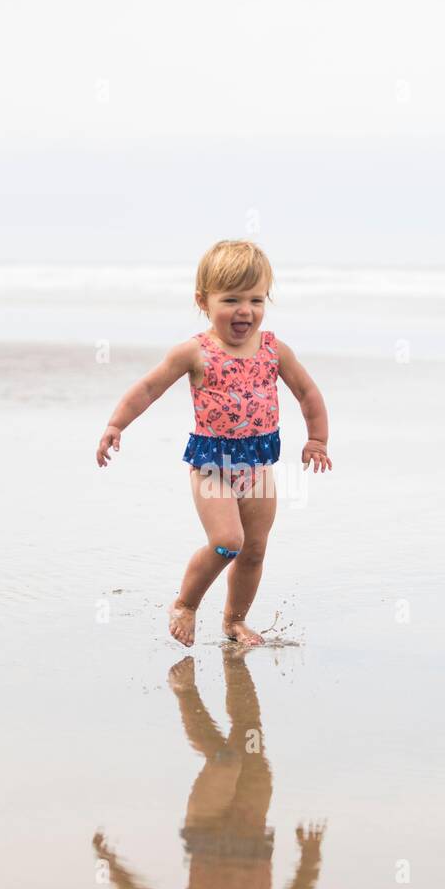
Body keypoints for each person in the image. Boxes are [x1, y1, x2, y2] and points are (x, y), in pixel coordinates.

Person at [95, 239, 332, 645]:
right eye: (232, 299)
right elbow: (148, 388)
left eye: (256, 299)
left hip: (258, 466)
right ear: (203, 301)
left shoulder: (275, 351)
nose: (245, 310)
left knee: (254, 550)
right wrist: (117, 424)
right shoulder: (195, 352)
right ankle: (186, 603)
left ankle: (234, 621)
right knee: (227, 543)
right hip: (212, 465)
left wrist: (317, 440)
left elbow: (308, 393)